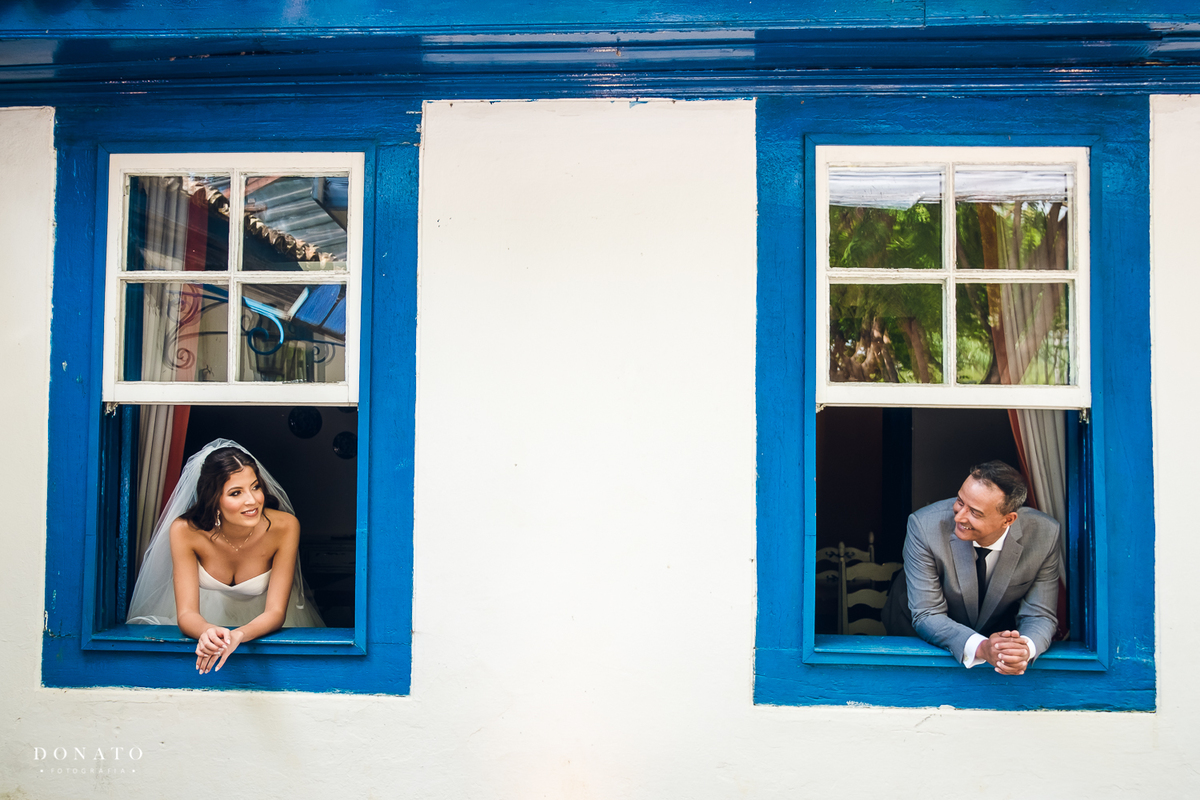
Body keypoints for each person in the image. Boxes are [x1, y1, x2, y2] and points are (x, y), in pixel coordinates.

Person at [126, 439, 324, 674]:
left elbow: (275, 613)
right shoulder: (185, 531)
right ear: (214, 499)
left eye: (255, 486)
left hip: (263, 631)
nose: (252, 500)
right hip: (206, 625)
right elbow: (187, 612)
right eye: (236, 493)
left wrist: (239, 635)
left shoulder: (285, 527)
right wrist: (207, 632)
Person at [881, 460, 1059, 675]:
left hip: (991, 640)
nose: (958, 516)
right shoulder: (923, 526)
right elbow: (927, 613)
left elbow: (1040, 614)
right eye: (959, 501)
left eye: (975, 512)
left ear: (1008, 520)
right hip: (913, 631)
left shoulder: (1045, 534)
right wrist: (983, 648)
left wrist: (1022, 650)